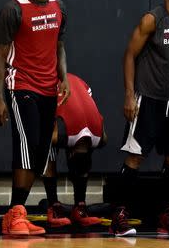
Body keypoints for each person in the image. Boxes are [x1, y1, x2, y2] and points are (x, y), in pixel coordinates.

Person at [110, 0, 169, 236]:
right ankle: (119, 215)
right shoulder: (152, 19)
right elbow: (129, 54)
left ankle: (167, 214)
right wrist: (128, 94)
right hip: (148, 98)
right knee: (136, 156)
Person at [0, 0, 70, 236]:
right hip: (21, 87)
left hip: (49, 88)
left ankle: (15, 214)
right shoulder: (14, 8)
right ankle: (16, 214)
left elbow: (59, 45)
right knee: (27, 149)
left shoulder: (58, 6)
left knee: (42, 151)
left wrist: (63, 76)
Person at [43, 73, 105, 228]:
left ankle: (80, 206)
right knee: (48, 145)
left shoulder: (100, 138)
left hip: (80, 88)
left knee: (80, 154)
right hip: (52, 86)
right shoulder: (100, 139)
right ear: (69, 153)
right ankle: (54, 206)